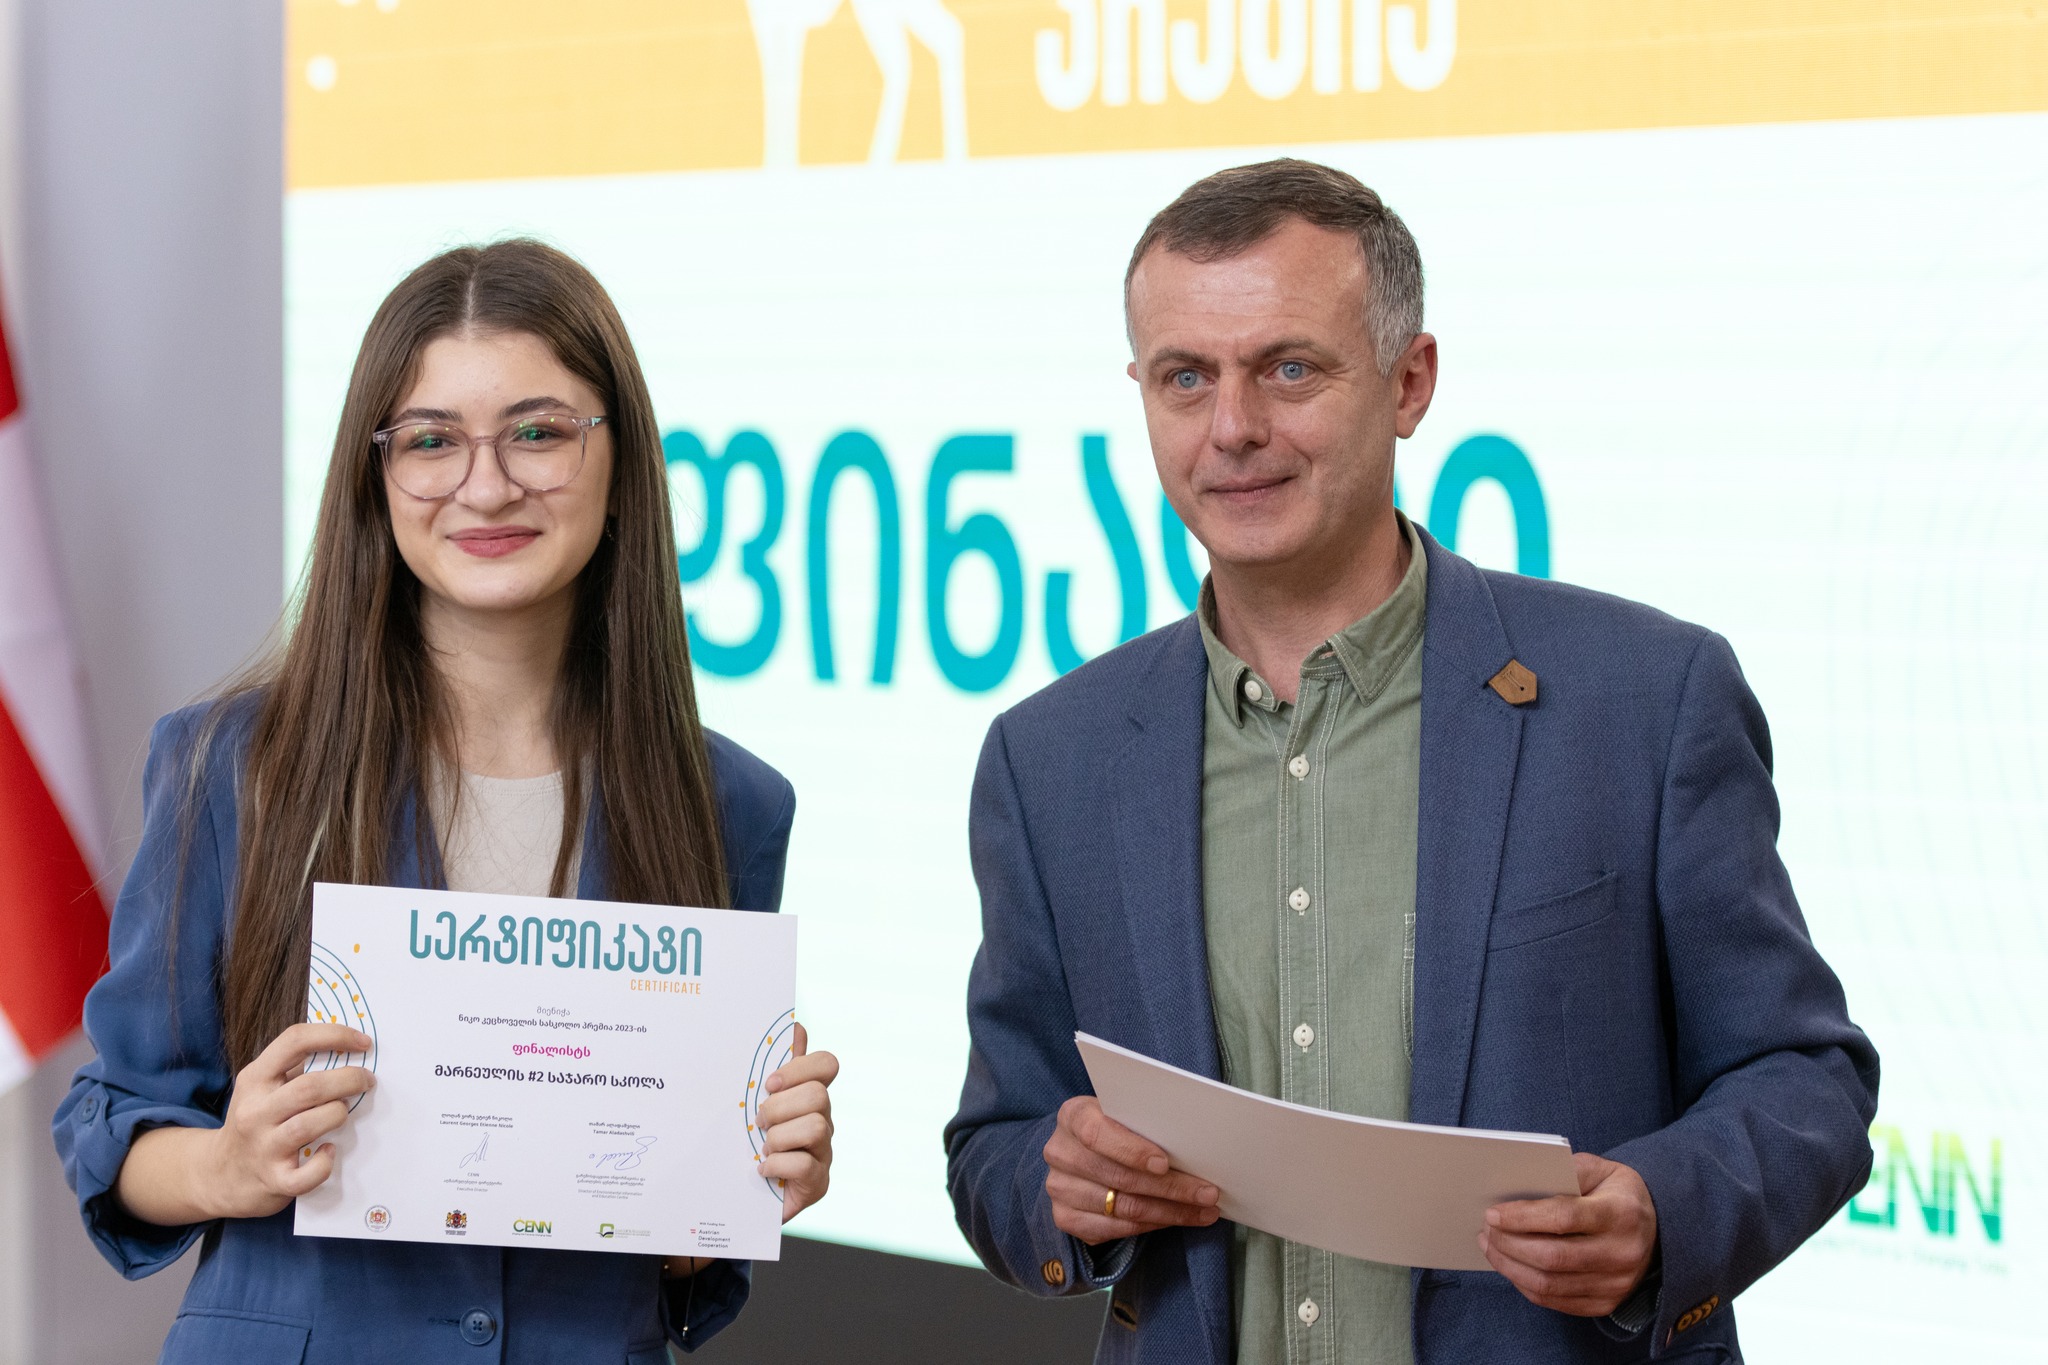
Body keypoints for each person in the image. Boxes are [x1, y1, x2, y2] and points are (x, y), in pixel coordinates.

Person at [945, 160, 1878, 1363]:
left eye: (1288, 369)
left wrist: (1658, 1213)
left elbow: (1802, 1078)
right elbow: (995, 1147)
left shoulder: (1644, 702)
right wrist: (1057, 1183)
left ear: (1408, 381)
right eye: (1185, 378)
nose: (1232, 428)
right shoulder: (1050, 761)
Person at [53, 239, 836, 1362]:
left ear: (620, 461)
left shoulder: (729, 802)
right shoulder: (234, 765)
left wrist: (739, 1176)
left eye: (538, 432)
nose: (486, 485)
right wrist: (227, 1162)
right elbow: (115, 1122)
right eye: (430, 441)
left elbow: (674, 1256)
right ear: (375, 478)